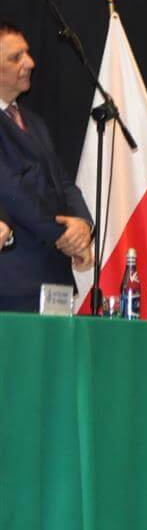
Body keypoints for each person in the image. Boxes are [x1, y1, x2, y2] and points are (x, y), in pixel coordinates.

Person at [0, 21, 94, 312]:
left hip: (55, 281)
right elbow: (13, 191)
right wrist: (65, 237)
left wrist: (83, 225)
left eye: (27, 53)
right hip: (13, 285)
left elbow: (63, 183)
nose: (30, 62)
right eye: (15, 57)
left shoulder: (35, 122)